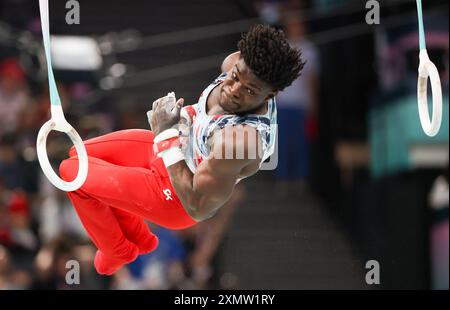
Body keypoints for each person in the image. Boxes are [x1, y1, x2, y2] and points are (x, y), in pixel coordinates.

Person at [59, 24, 305, 275]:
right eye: (235, 77)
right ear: (237, 62)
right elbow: (215, 101)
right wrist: (180, 123)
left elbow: (197, 207)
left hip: (176, 196)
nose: (234, 90)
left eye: (250, 90)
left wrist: (166, 135)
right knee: (77, 155)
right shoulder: (233, 63)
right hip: (168, 150)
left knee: (71, 172)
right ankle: (138, 236)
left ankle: (117, 250)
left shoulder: (240, 142)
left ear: (270, 95)